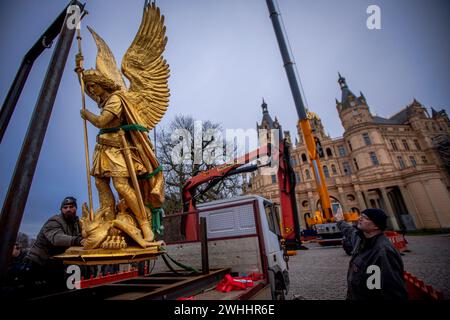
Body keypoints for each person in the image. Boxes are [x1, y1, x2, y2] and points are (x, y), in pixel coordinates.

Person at [335, 208, 408, 300]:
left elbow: (392, 290)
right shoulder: (361, 240)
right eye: (360, 216)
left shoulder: (384, 252)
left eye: (365, 217)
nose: (359, 218)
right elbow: (349, 231)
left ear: (376, 226)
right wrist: (340, 221)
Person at [23, 196, 84, 294]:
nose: (68, 209)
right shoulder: (54, 221)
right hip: (38, 262)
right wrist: (78, 240)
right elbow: (57, 238)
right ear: (61, 209)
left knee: (57, 291)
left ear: (76, 208)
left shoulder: (77, 224)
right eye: (65, 207)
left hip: (55, 262)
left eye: (71, 206)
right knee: (33, 293)